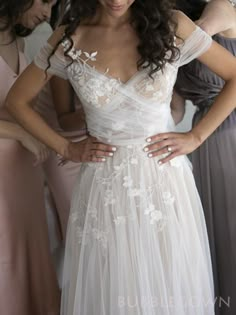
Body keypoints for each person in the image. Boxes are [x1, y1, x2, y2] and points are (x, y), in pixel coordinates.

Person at [5, 0, 236, 313]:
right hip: (104, 187)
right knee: (111, 287)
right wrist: (67, 148)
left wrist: (196, 136)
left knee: (167, 283)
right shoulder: (69, 37)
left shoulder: (173, 24)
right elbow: (17, 101)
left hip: (164, 182)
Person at [174, 0, 236, 314]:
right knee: (216, 230)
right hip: (204, 137)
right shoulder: (166, 27)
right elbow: (173, 109)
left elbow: (199, 34)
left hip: (228, 129)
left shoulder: (219, 8)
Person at [0, 1, 61, 314]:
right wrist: (22, 132)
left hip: (26, 171)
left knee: (30, 249)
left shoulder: (20, 42)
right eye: (45, 1)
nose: (48, 13)